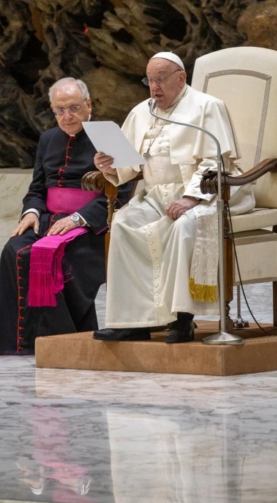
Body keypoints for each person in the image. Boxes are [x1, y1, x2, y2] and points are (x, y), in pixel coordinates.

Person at [92, 52, 254, 344]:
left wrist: (191, 198)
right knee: (124, 224)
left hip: (204, 194)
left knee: (183, 226)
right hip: (154, 195)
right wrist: (110, 166)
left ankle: (182, 320)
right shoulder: (142, 112)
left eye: (161, 79)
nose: (154, 88)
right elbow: (129, 165)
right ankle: (133, 322)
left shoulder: (207, 107)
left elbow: (215, 161)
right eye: (149, 80)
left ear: (181, 78)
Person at [0, 78, 133, 355]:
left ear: (89, 105)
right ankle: (14, 343)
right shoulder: (48, 139)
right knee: (14, 250)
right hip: (49, 221)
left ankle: (63, 341)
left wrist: (77, 219)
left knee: (58, 257)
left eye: (73, 108)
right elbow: (37, 187)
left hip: (93, 225)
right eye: (59, 110)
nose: (67, 116)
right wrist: (31, 212)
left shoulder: (111, 135)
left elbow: (124, 189)